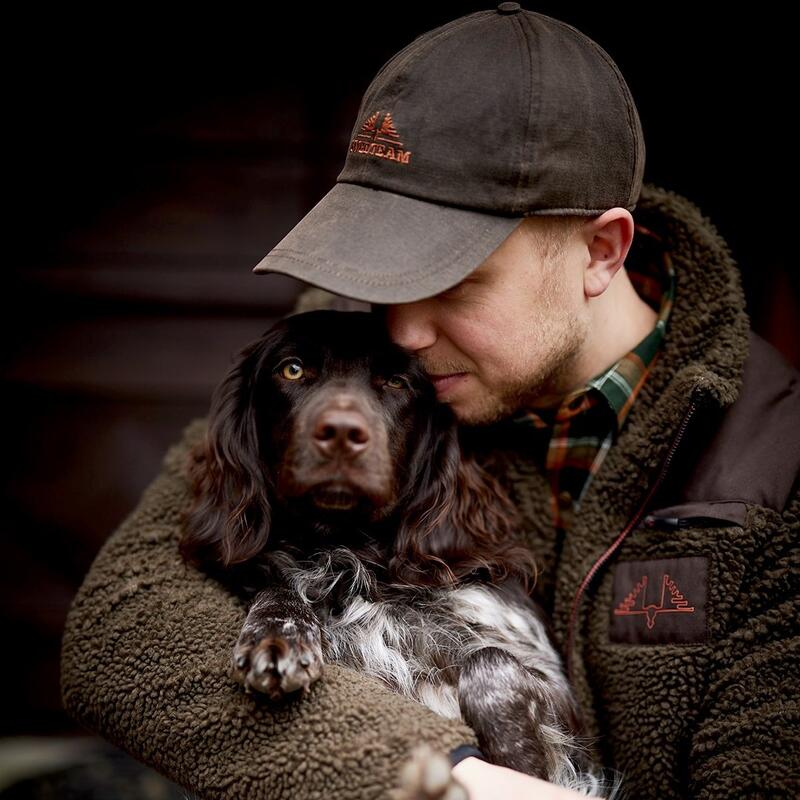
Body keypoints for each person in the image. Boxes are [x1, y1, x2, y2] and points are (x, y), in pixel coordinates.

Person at [60, 4, 799, 799]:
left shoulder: (773, 463)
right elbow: (121, 628)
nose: (404, 332)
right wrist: (448, 776)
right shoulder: (351, 351)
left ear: (599, 251)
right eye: (388, 268)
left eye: (450, 276)